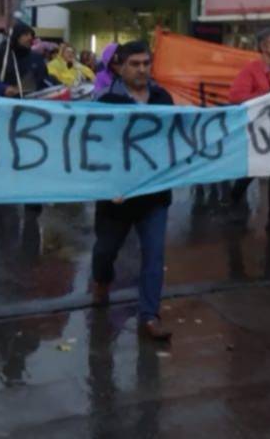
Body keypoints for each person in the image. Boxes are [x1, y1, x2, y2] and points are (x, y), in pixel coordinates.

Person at [90, 41, 175, 341]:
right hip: (117, 196)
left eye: (146, 63)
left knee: (154, 255)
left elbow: (172, 139)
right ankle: (102, 280)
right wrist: (109, 185)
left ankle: (149, 316)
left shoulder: (163, 98)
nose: (142, 69)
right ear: (120, 67)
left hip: (154, 195)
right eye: (135, 64)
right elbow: (96, 148)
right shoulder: (107, 103)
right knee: (105, 251)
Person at [227, 29, 270, 236]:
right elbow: (236, 97)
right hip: (256, 128)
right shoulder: (250, 70)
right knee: (254, 170)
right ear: (263, 46)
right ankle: (234, 198)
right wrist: (265, 96)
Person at [0, 20, 54, 97]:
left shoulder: (36, 58)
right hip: (4, 103)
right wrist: (2, 89)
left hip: (31, 103)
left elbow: (44, 80)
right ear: (16, 36)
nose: (30, 37)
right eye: (26, 34)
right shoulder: (0, 54)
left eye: (31, 35)